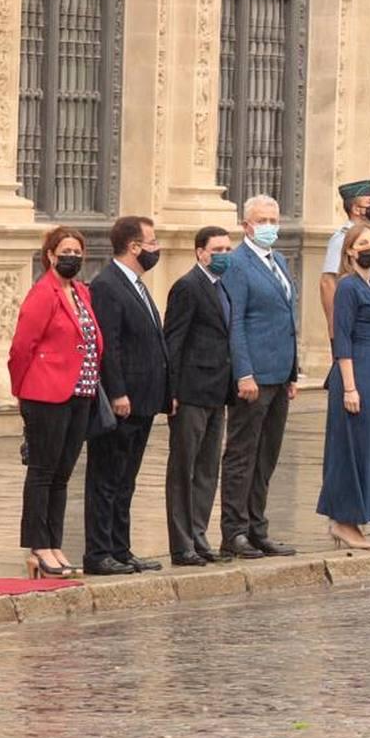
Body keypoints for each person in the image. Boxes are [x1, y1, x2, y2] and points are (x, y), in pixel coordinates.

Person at [8, 226, 98, 579]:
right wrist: (22, 391)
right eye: (65, 251)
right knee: (43, 471)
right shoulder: (42, 293)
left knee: (63, 474)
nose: (72, 256)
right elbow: (20, 348)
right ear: (50, 255)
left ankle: (54, 544)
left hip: (80, 393)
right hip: (46, 394)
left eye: (77, 251)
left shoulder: (80, 292)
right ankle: (37, 546)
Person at [83, 216, 168, 575]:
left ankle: (121, 547)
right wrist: (117, 391)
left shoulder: (136, 284)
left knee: (126, 480)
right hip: (123, 401)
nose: (155, 248)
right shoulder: (107, 284)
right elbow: (109, 346)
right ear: (134, 247)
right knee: (106, 478)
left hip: (145, 399)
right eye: (151, 242)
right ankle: (99, 551)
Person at [220, 195, 299, 560]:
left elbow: (287, 318)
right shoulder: (237, 264)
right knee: (242, 454)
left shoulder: (279, 260)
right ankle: (234, 530)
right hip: (254, 376)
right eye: (262, 220)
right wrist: (244, 373)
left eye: (273, 219)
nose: (269, 225)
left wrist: (293, 371)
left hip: (280, 374)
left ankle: (257, 526)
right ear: (246, 225)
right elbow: (236, 322)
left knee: (267, 456)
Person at [319, 223, 370, 550]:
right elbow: (342, 339)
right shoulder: (348, 287)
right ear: (350, 251)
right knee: (352, 447)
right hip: (356, 372)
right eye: (364, 242)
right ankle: (342, 520)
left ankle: (359, 516)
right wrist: (351, 388)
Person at [163, 226, 235, 567]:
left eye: (227, 248)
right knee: (184, 468)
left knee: (207, 469)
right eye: (216, 249)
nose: (223, 254)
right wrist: (172, 391)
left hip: (217, 391)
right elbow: (174, 341)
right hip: (190, 391)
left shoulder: (223, 287)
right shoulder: (188, 287)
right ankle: (182, 543)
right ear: (200, 252)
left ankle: (199, 534)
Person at [320, 180, 370, 332]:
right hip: (355, 314)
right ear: (356, 208)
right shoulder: (342, 238)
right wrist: (334, 324)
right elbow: (328, 282)